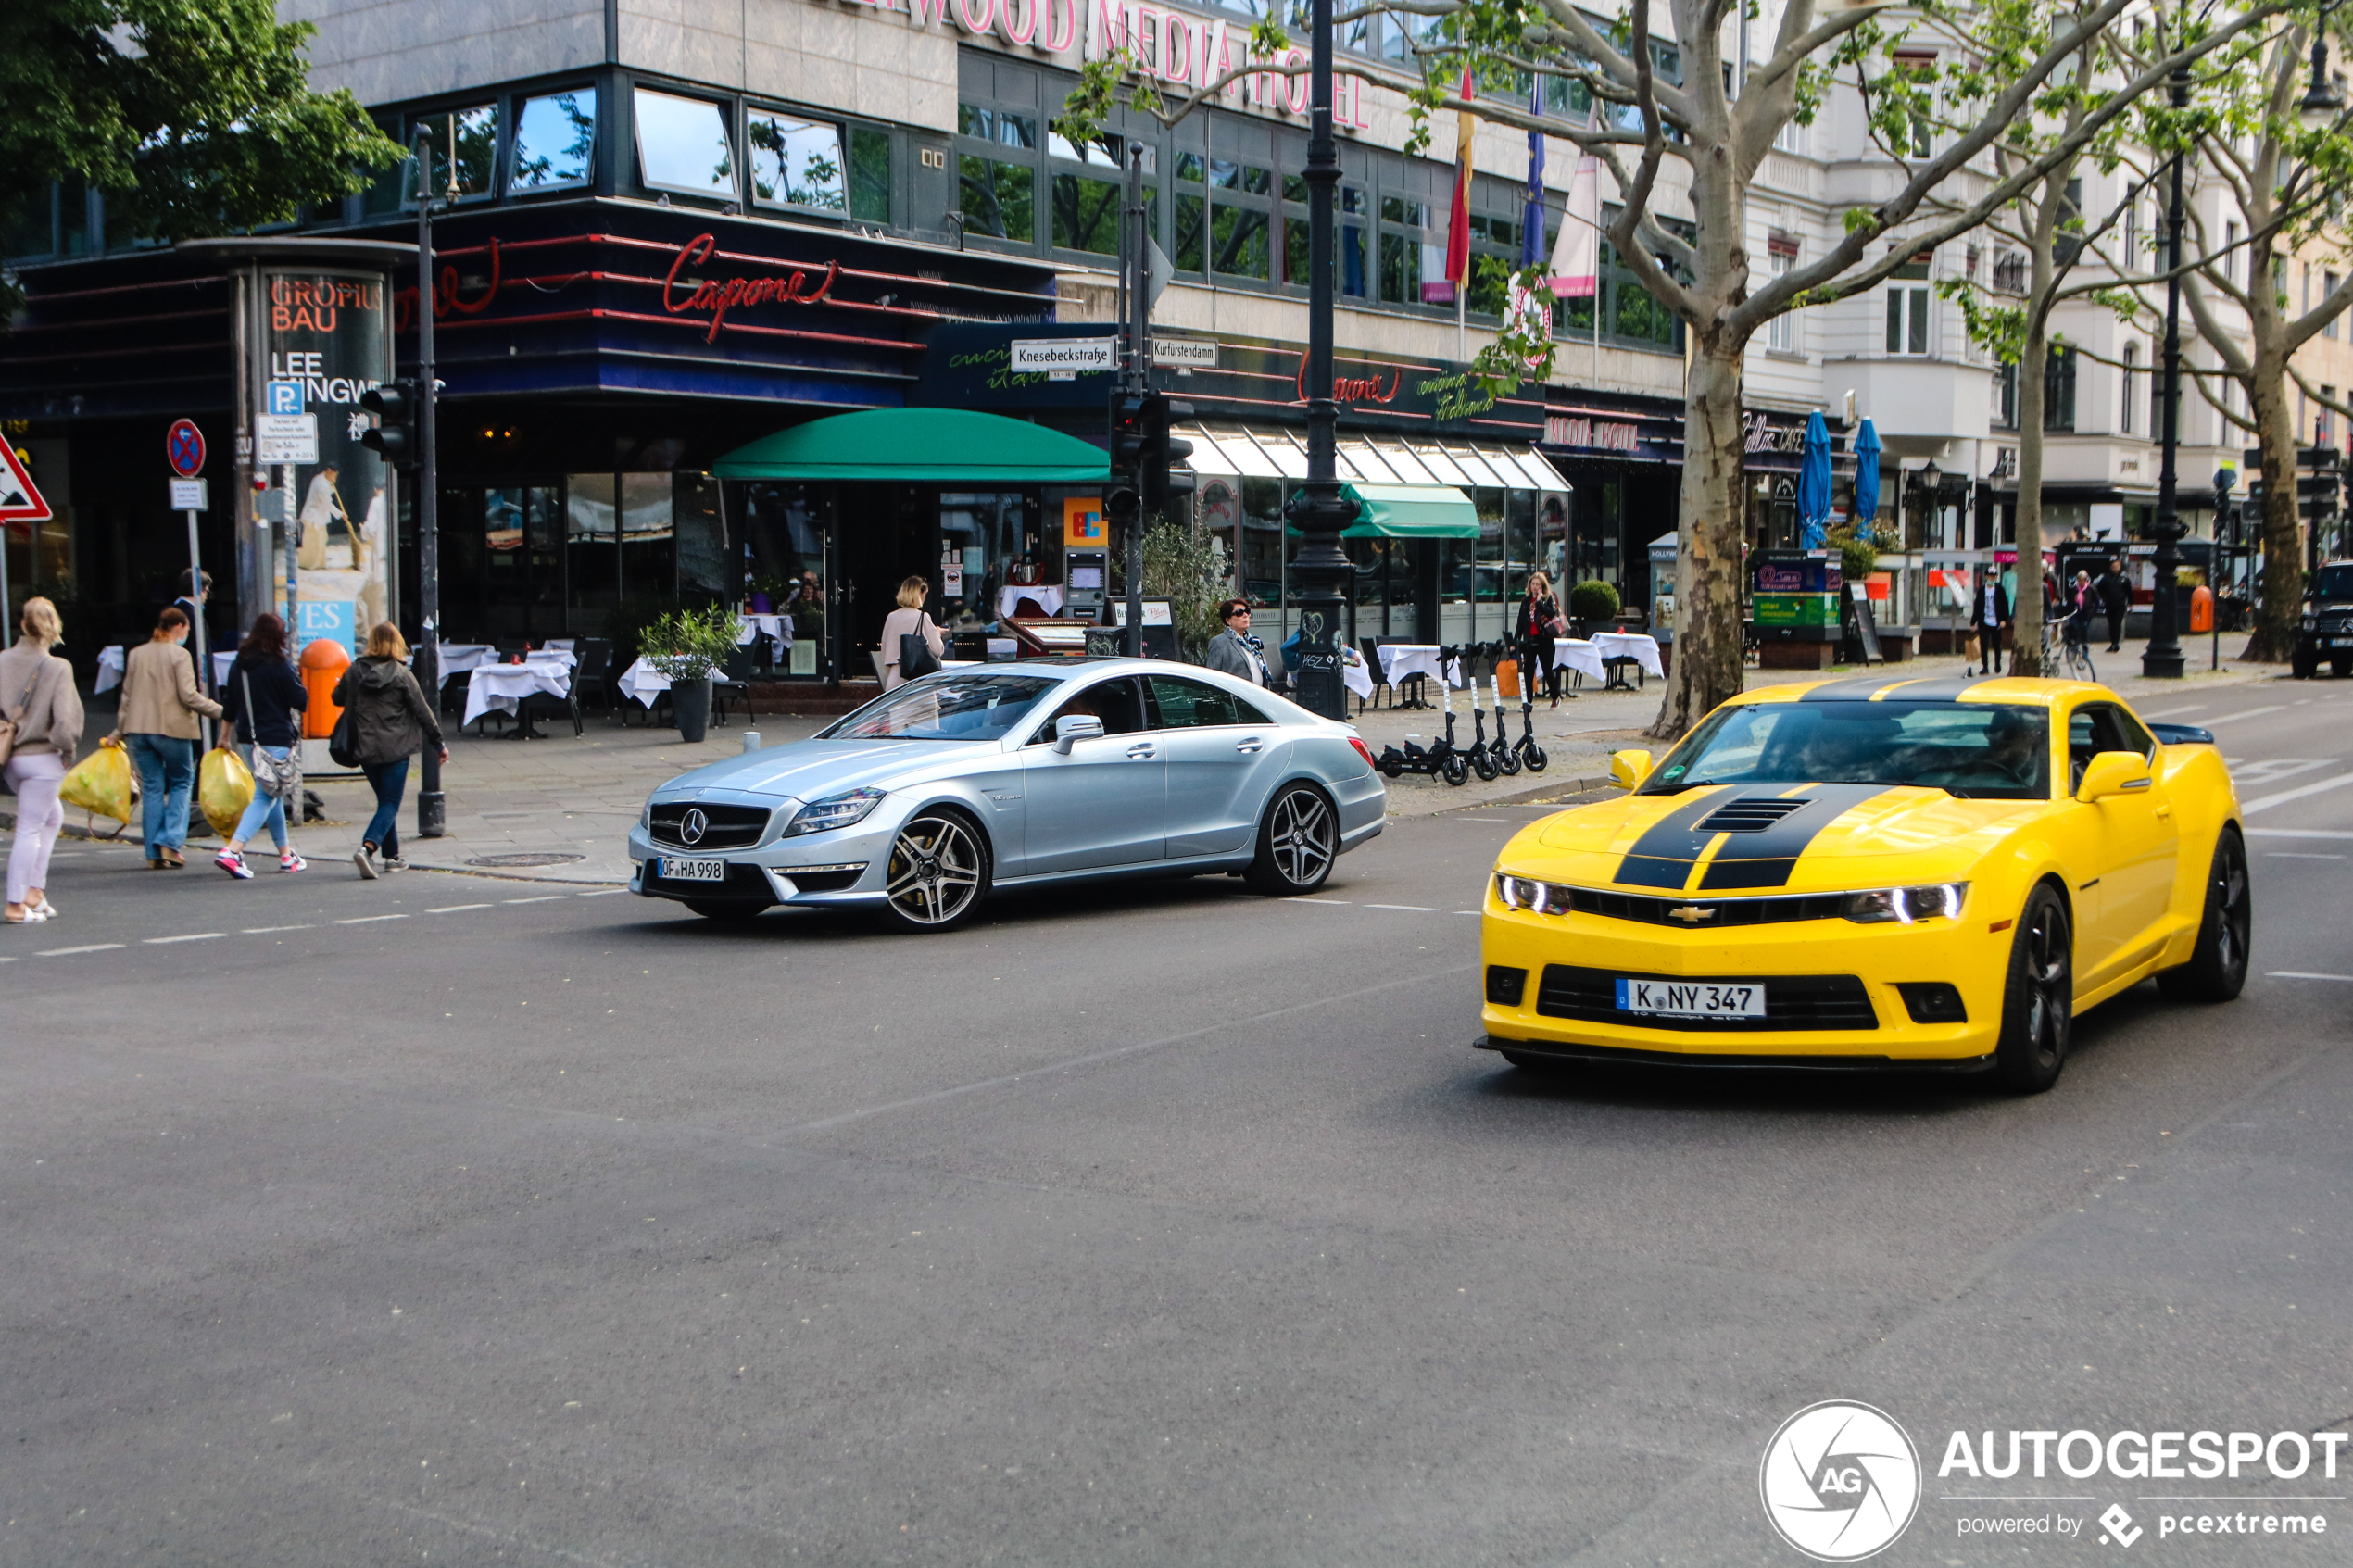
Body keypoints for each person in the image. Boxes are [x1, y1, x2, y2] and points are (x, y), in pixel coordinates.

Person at [111, 605, 225, 869]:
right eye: (186, 629)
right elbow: (188, 696)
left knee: (152, 786)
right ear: (179, 627)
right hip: (171, 731)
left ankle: (153, 852)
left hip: (139, 731)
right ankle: (170, 843)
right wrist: (221, 711)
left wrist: (117, 732)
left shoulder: (137, 654)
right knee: (182, 781)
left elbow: (126, 697)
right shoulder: (179, 655)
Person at [331, 621, 447, 879]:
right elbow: (422, 711)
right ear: (397, 643)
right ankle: (368, 848)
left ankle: (392, 857)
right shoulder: (402, 674)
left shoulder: (355, 671)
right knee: (391, 803)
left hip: (365, 748)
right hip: (396, 749)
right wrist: (438, 742)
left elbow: (336, 698)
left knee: (385, 802)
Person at [2, 596, 83, 923]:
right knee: (30, 829)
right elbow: (65, 722)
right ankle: (16, 903)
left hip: (10, 757)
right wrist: (67, 751)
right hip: (43, 757)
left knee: (52, 817)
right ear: (54, 629)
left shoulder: (3, 660)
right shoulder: (58, 667)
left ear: (22, 625)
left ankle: (35, 891)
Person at [213, 613, 310, 879]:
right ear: (280, 636)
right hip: (276, 740)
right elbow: (300, 701)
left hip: (249, 740)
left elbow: (230, 704)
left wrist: (224, 737)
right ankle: (232, 852)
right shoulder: (281, 666)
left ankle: (286, 855)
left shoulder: (240, 665)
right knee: (265, 796)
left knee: (272, 793)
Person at [878, 575, 944, 691]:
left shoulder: (891, 617)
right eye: (925, 594)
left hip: (895, 679)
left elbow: (885, 650)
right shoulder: (923, 617)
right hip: (919, 681)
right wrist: (937, 633)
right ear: (920, 593)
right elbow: (937, 650)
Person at [1516, 571, 1566, 705]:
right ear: (1530, 585)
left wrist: (1539, 602)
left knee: (1547, 670)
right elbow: (1521, 622)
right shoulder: (1525, 602)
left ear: (1542, 586)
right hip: (1530, 640)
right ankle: (1527, 702)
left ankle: (1555, 696)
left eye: (1538, 584)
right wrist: (1516, 640)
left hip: (1545, 639)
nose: (1535, 587)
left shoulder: (1549, 599)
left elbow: (1551, 613)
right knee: (1528, 671)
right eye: (1533, 584)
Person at [1203, 598, 1275, 686]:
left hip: (1258, 695)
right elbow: (1212, 677)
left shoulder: (1252, 642)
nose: (1245, 615)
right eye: (1239, 613)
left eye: (1247, 611)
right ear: (1228, 620)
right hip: (1237, 696)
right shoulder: (1219, 642)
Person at [1971, 568, 2011, 675]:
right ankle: (1985, 666)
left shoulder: (1999, 589)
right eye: (1990, 575)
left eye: (1994, 576)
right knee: (1983, 644)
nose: (1992, 577)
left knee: (1997, 644)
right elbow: (1977, 607)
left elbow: (2005, 606)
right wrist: (1973, 622)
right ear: (1986, 576)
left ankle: (1997, 664)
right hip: (1984, 621)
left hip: (1996, 621)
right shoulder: (1981, 591)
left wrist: (2004, 620)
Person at [2098, 558, 2132, 652]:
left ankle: (2116, 643)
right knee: (2111, 624)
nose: (2115, 568)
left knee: (2117, 623)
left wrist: (2131, 603)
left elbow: (2129, 592)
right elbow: (2100, 589)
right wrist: (2102, 598)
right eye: (2113, 566)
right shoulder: (2106, 578)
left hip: (2120, 605)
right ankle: (2113, 643)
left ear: (2120, 567)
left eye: (2117, 566)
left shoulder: (2124, 579)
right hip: (2109, 604)